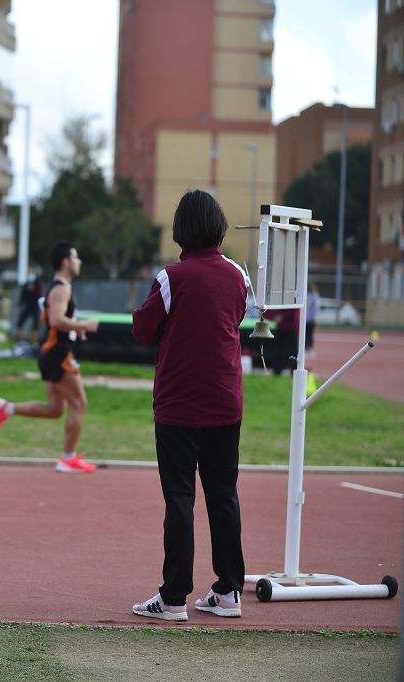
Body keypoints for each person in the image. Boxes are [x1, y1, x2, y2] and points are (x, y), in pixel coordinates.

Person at [130, 189, 249, 621]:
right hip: (225, 402)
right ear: (217, 226)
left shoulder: (171, 278)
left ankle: (174, 597)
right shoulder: (239, 275)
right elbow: (234, 320)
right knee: (224, 495)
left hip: (178, 406)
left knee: (179, 498)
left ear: (181, 230)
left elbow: (143, 329)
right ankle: (229, 592)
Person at [0, 241, 100, 473]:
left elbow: (51, 321)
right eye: (76, 257)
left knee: (56, 409)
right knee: (79, 403)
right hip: (58, 352)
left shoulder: (58, 287)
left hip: (52, 350)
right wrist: (84, 325)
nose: (79, 262)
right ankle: (67, 458)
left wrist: (74, 329)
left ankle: (5, 408)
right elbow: (56, 320)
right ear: (66, 262)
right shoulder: (62, 288)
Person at [14, 271, 42, 343]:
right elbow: (23, 296)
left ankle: (35, 341)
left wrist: (34, 289)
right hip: (28, 306)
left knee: (35, 325)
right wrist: (19, 305)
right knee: (20, 322)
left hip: (35, 306)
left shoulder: (37, 283)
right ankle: (21, 339)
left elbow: (40, 294)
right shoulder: (26, 283)